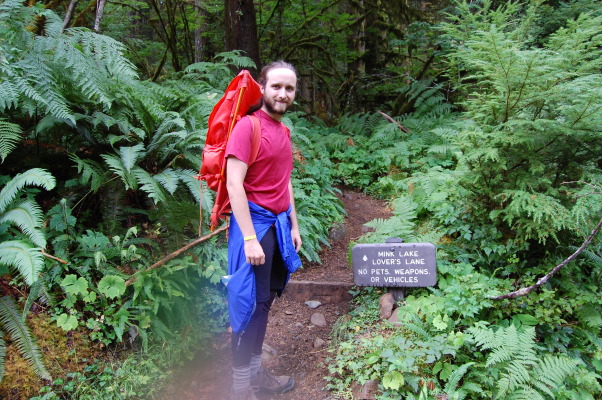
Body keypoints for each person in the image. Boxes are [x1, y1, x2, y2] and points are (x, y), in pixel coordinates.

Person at [225, 61, 302, 400]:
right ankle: (240, 390)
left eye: (289, 88)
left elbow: (284, 182)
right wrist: (249, 238)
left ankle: (256, 376)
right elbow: (233, 183)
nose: (283, 94)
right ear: (264, 88)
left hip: (277, 226)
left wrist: (294, 225)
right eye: (277, 87)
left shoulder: (283, 131)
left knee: (265, 302)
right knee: (248, 308)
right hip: (253, 228)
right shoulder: (247, 127)